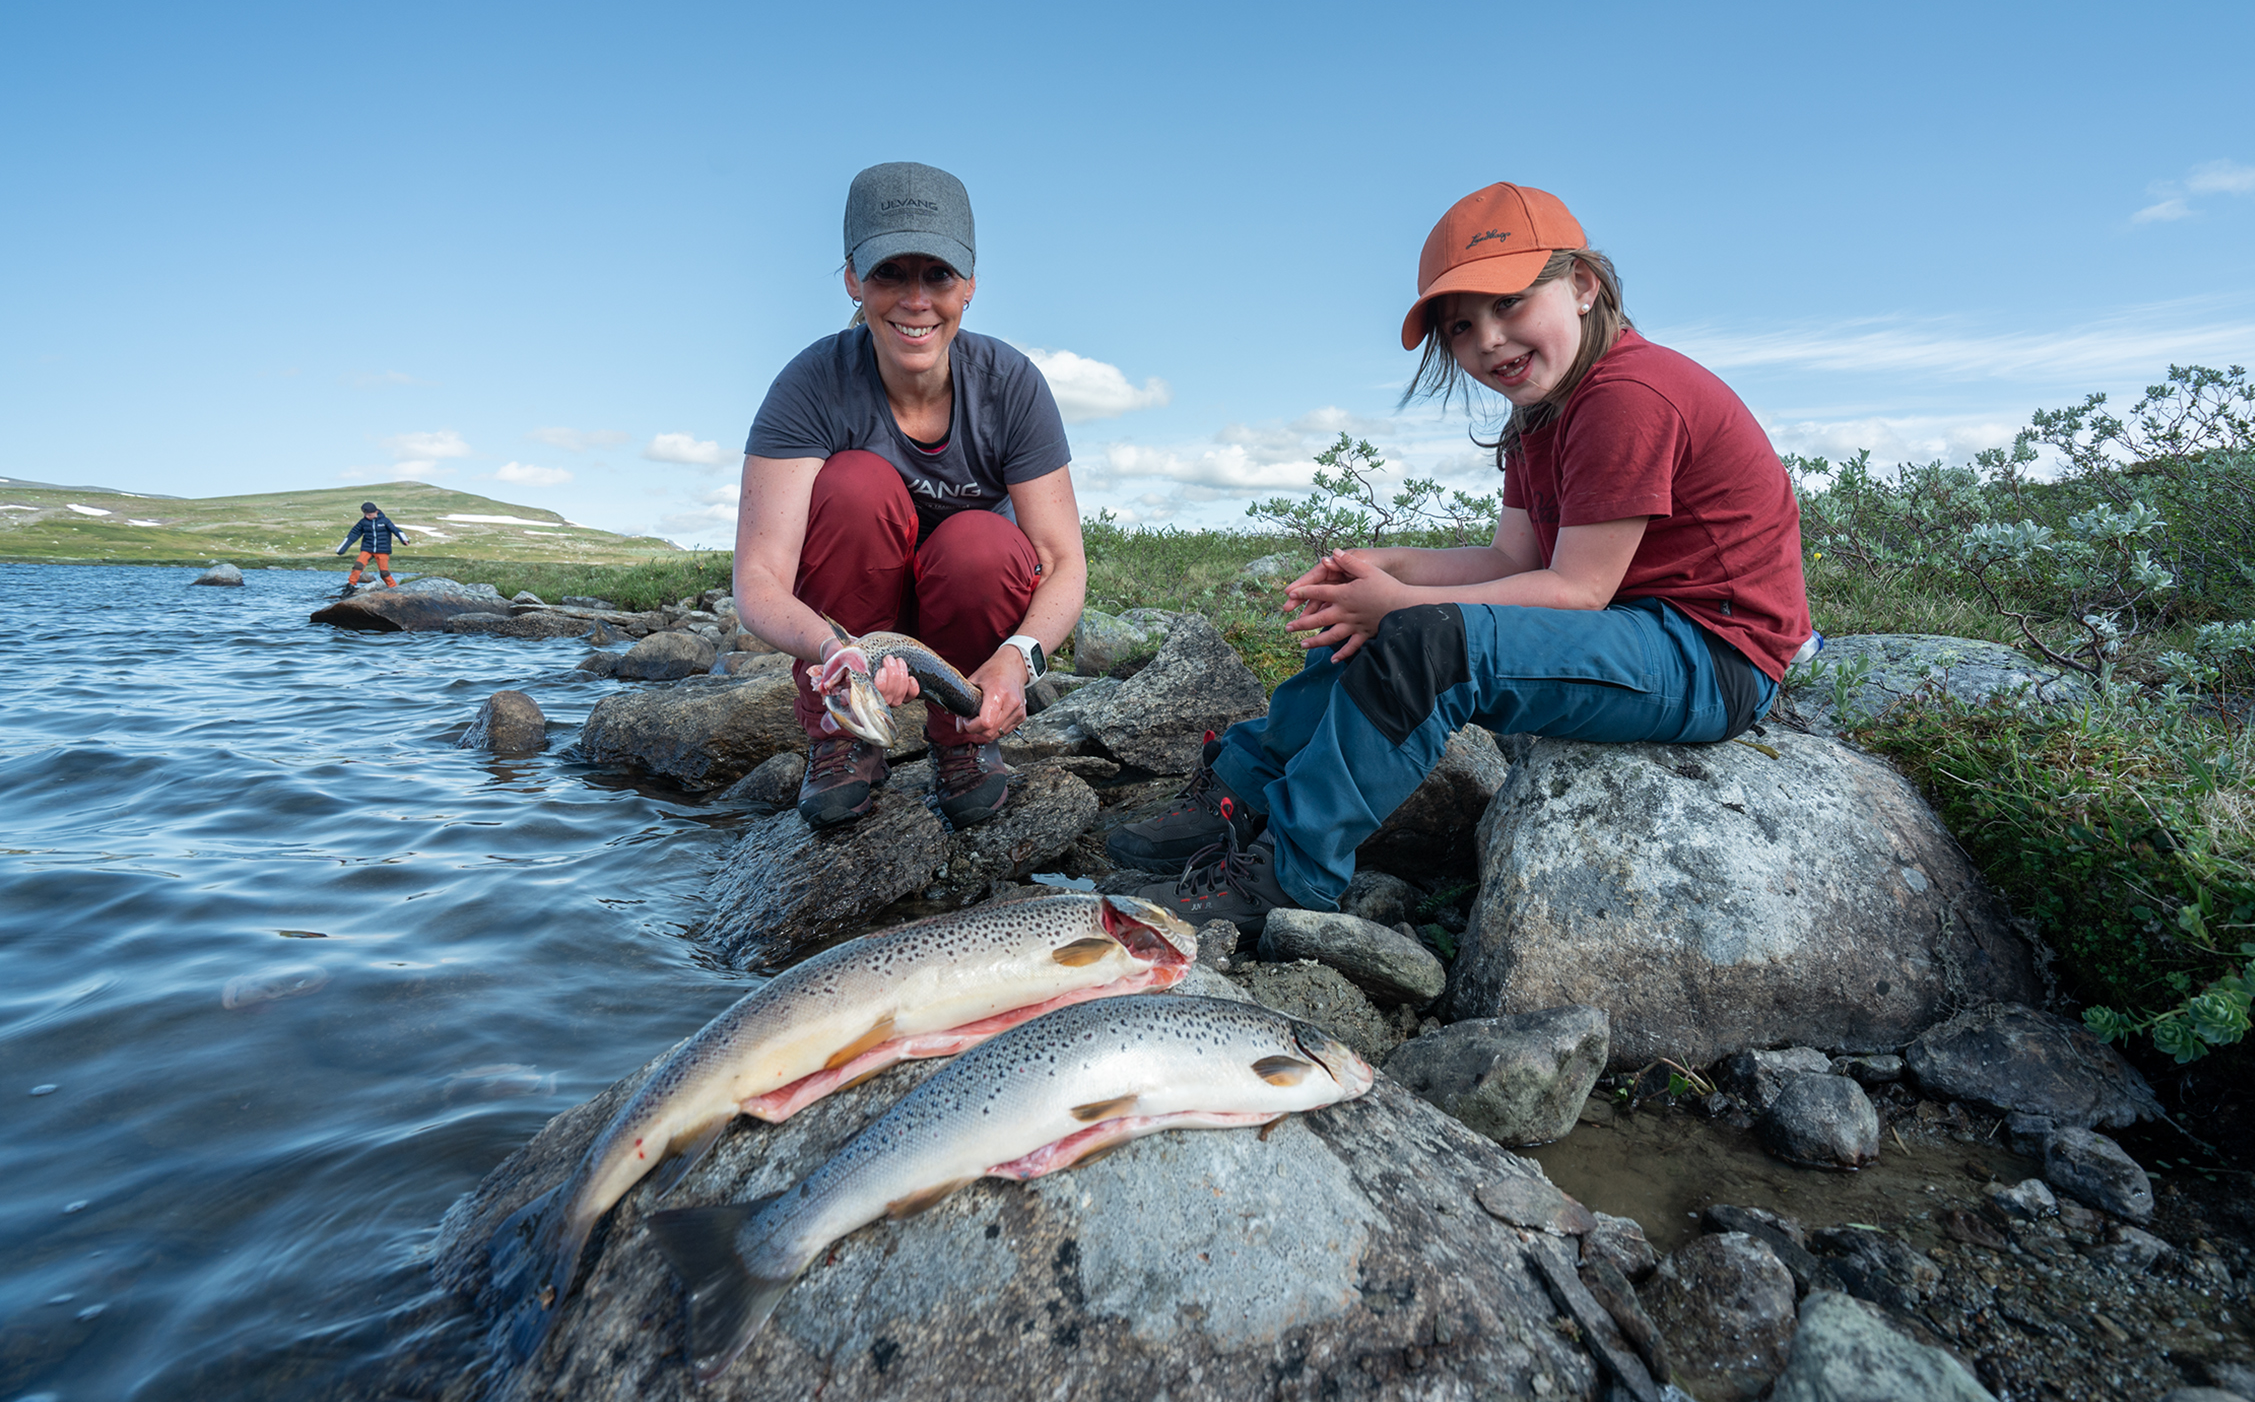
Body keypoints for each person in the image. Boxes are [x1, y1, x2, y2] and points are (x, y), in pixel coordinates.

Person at [1111, 182, 1813, 929]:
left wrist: (1402, 607)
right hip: (1635, 625)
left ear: (1582, 285)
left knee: (1426, 642)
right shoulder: (1540, 412)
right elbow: (1513, 556)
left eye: (1508, 303)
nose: (1486, 340)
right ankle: (1240, 791)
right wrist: (1390, 569)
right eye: (1460, 326)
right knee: (1375, 611)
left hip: (1712, 656)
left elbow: (1577, 588)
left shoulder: (1630, 396)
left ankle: (1289, 875)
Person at [731, 162, 1086, 832]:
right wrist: (841, 655)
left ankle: (964, 737)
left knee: (983, 542)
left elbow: (1063, 563)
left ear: (971, 285)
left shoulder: (1012, 386)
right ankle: (846, 738)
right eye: (890, 273)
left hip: (963, 632)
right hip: (853, 635)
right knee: (853, 485)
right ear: (853, 282)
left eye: (938, 275)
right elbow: (756, 579)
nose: (915, 299)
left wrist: (1019, 662)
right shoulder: (809, 385)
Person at [336, 500, 409, 588]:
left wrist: (404, 539)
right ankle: (350, 585)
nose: (367, 516)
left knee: (384, 572)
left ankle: (394, 587)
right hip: (367, 549)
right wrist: (342, 548)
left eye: (369, 515)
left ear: (376, 512)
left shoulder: (385, 521)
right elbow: (353, 534)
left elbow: (395, 530)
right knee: (357, 566)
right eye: (365, 515)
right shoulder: (363, 522)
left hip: (382, 550)